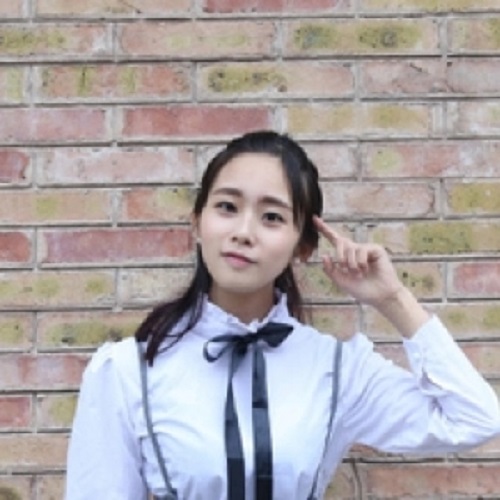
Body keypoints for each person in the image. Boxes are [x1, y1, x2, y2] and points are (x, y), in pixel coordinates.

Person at [65, 130, 500, 500]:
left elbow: (475, 419)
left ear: (302, 246)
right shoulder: (128, 371)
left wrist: (393, 300)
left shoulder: (338, 370)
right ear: (197, 222)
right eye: (227, 207)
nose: (243, 232)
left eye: (271, 217)